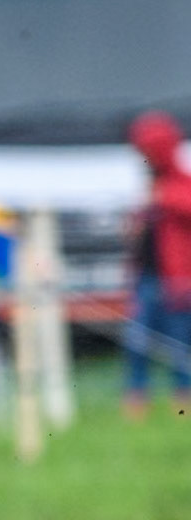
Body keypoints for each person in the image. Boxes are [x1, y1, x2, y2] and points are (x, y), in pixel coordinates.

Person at [123, 111, 191, 421]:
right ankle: (137, 399)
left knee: (179, 342)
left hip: (177, 278)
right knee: (137, 340)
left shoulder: (179, 183)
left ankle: (183, 401)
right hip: (146, 277)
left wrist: (162, 199)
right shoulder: (150, 186)